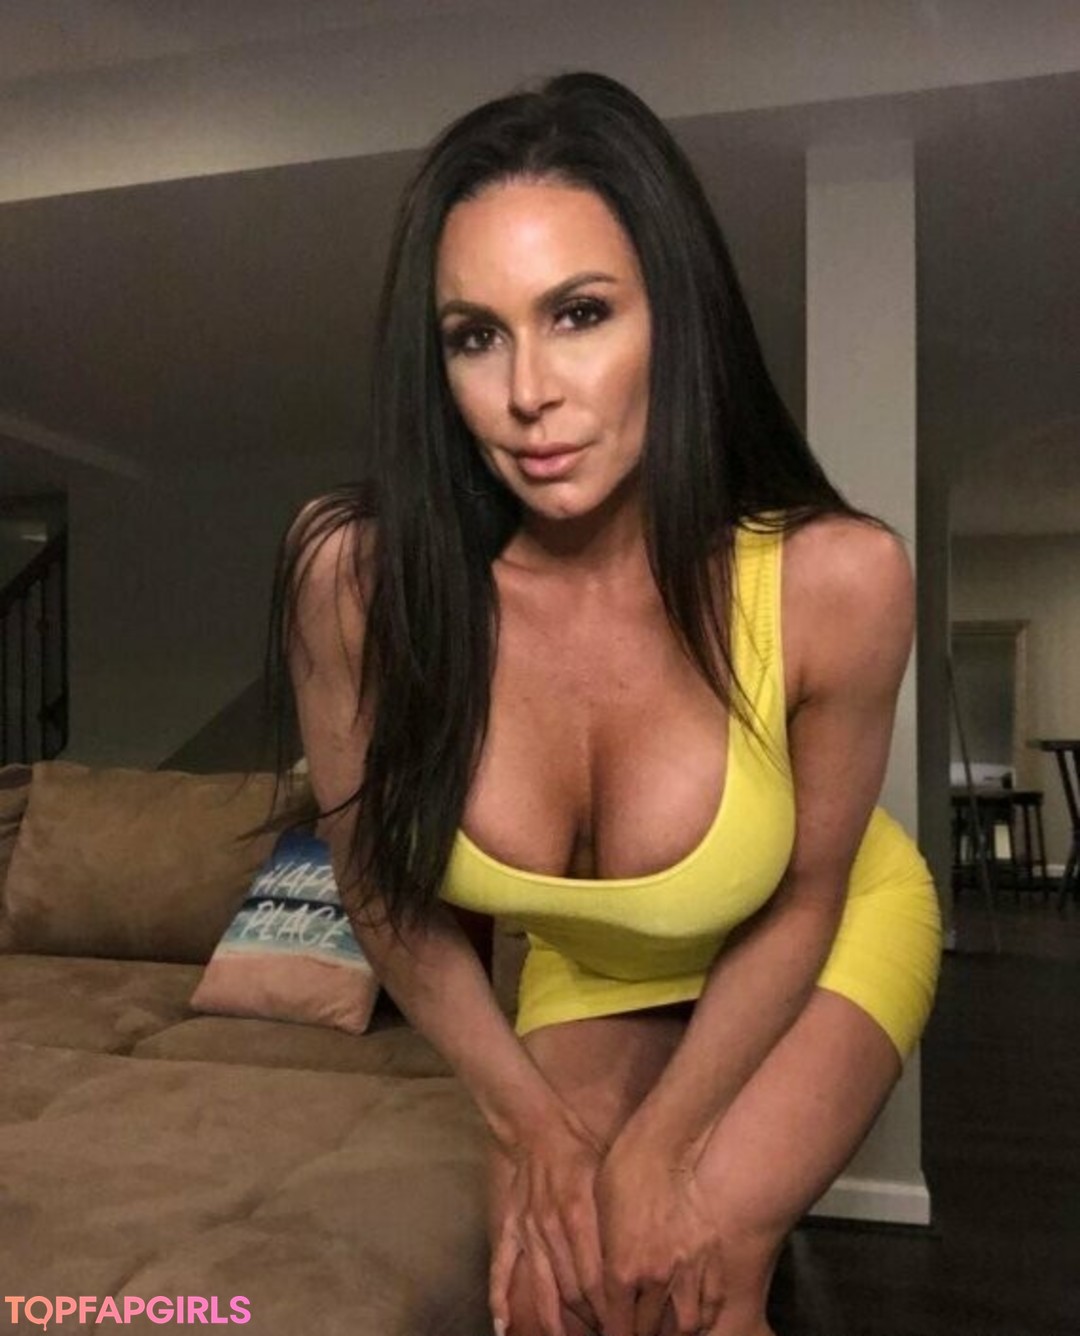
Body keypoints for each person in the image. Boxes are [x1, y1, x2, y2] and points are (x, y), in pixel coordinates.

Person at [267, 70, 943, 1336]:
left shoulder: (838, 582)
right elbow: (379, 891)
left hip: (814, 925)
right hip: (593, 965)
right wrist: (531, 1126)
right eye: (476, 335)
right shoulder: (358, 585)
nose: (528, 389)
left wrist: (661, 1146)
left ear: (672, 318)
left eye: (579, 313)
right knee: (554, 1297)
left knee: (681, 1275)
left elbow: (805, 898)